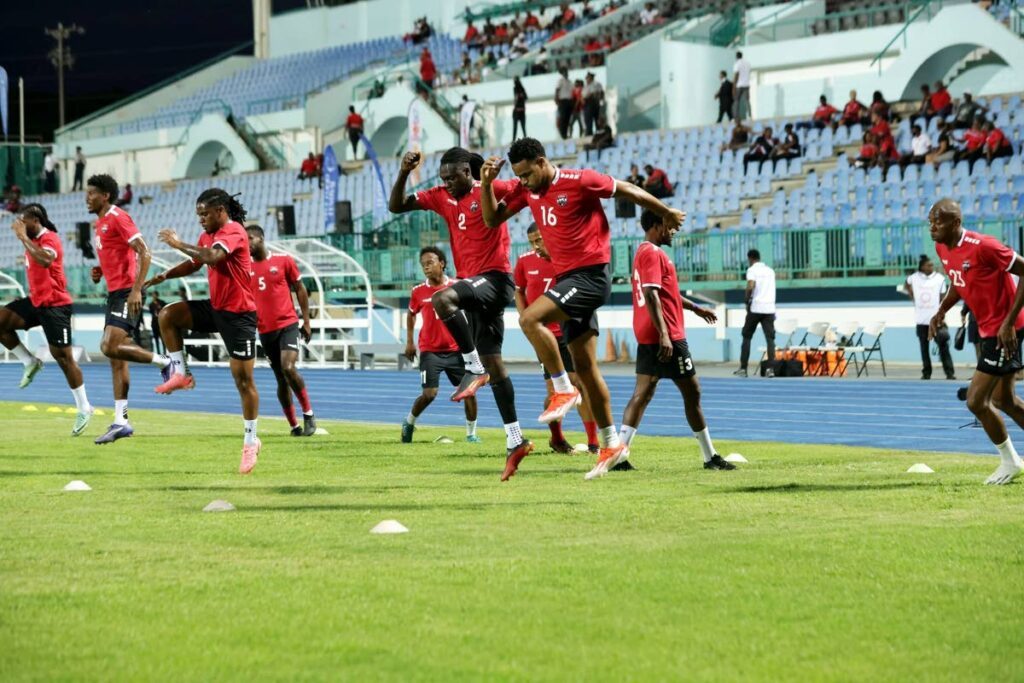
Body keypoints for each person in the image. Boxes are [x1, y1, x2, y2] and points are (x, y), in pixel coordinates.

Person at [480, 137, 684, 479]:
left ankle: (562, 389)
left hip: (590, 277)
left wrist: (665, 212)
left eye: (528, 173)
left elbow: (628, 191)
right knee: (588, 371)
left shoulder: (581, 180)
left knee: (529, 318)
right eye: (520, 176)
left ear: (543, 162)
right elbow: (492, 219)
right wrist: (486, 185)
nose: (525, 181)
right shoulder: (525, 191)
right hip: (568, 281)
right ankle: (611, 446)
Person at [388, 148, 530, 480]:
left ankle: (471, 365)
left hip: (495, 279)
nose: (448, 183)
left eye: (453, 177)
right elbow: (396, 206)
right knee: (496, 366)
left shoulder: (494, 187)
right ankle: (515, 438)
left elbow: (527, 189)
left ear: (469, 171)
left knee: (441, 300)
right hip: (474, 287)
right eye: (444, 179)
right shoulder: (440, 197)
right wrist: (403, 172)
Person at [144, 189, 261, 474]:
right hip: (217, 309)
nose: (201, 220)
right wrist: (166, 275)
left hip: (239, 316)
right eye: (199, 215)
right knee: (168, 315)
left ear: (221, 210)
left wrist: (177, 243)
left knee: (243, 381)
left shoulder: (234, 231)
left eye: (205, 214)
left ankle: (250, 441)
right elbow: (196, 262)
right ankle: (181, 373)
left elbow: (211, 257)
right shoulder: (207, 235)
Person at [615, 210, 734, 475]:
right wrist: (666, 334)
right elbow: (652, 294)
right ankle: (710, 456)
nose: (673, 231)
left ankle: (618, 455)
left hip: (649, 333)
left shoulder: (645, 252)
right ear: (657, 226)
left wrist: (695, 308)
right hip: (666, 335)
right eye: (670, 226)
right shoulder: (652, 253)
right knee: (692, 393)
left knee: (642, 393)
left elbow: (667, 292)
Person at [929, 198, 1024, 485]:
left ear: (956, 223)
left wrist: (1008, 323)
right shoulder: (942, 246)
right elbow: (960, 282)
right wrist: (942, 310)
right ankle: (1013, 461)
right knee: (1003, 399)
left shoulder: (984, 246)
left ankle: (1010, 462)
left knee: (975, 401)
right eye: (930, 221)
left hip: (1004, 331)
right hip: (988, 330)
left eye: (939, 221)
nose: (933, 227)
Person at [86, 174, 171, 445]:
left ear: (105, 196)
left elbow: (145, 252)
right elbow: (118, 254)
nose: (87, 198)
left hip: (127, 292)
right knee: (116, 359)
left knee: (109, 346)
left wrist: (136, 290)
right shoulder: (99, 224)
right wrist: (101, 271)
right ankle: (121, 421)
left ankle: (166, 361)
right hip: (115, 293)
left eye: (91, 193)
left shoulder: (118, 217)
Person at [1, 204, 93, 435]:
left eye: (24, 221)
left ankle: (84, 407)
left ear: (36, 219)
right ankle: (29, 362)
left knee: (64, 359)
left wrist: (22, 237)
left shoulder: (50, 239)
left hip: (56, 306)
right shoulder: (32, 240)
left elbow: (45, 261)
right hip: (36, 301)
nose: (20, 225)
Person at [515, 225, 599, 454]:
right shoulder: (524, 262)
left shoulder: (567, 260)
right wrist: (525, 319)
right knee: (556, 392)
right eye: (532, 241)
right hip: (544, 334)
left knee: (580, 385)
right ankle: (557, 439)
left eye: (539, 240)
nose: (535, 246)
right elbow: (519, 291)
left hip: (569, 329)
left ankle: (593, 443)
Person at [402, 248, 481, 444]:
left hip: (456, 350)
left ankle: (471, 435)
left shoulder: (457, 287)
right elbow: (411, 313)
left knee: (469, 392)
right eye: (423, 264)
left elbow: (471, 312)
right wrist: (410, 341)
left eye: (430, 262)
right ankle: (409, 422)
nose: (426, 267)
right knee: (429, 394)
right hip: (430, 351)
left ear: (442, 263)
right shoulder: (418, 291)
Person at [247, 224, 317, 437]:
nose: (247, 243)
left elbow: (300, 289)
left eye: (250, 238)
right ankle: (294, 426)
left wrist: (306, 321)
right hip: (265, 331)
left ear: (261, 238)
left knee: (288, 368)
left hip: (287, 324)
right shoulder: (244, 267)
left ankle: (308, 414)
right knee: (280, 378)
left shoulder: (283, 260)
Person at [906, 254, 955, 380]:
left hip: (937, 319)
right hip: (921, 320)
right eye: (929, 265)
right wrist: (913, 296)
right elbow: (907, 284)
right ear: (922, 267)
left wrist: (942, 313)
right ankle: (926, 372)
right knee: (924, 348)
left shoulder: (939, 278)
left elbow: (943, 295)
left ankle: (949, 372)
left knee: (944, 346)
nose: (931, 267)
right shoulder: (914, 278)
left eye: (932, 265)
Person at [735, 249, 776, 378]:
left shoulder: (752, 270)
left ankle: (743, 368)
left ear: (750, 258)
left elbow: (750, 285)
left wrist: (746, 300)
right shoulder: (770, 271)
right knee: (770, 339)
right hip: (769, 308)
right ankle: (770, 369)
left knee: (747, 336)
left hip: (756, 307)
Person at [554, 68, 574, 139]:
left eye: (566, 71)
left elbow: (572, 92)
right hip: (563, 101)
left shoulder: (570, 82)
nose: (566, 73)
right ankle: (563, 135)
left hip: (569, 101)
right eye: (564, 72)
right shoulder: (560, 81)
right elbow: (557, 90)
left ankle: (565, 134)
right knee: (562, 119)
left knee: (567, 119)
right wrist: (556, 99)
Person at [732, 51, 751, 121]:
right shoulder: (748, 63)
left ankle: (736, 117)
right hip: (747, 84)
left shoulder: (737, 64)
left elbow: (736, 75)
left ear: (736, 56)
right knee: (747, 100)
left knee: (736, 101)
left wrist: (733, 86)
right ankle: (749, 115)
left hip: (739, 85)